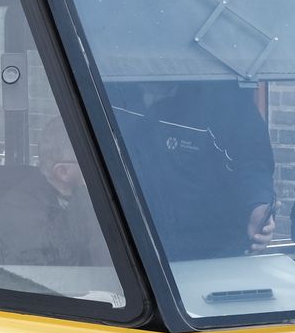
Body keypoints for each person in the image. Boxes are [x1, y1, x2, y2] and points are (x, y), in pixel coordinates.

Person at [109, 79, 276, 259]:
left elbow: (252, 161)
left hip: (211, 253)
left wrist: (258, 204)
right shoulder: (106, 88)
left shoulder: (223, 99)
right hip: (126, 242)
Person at [0, 119, 112, 269]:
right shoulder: (19, 208)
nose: (99, 168)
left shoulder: (73, 194)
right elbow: (64, 260)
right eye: (89, 162)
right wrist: (90, 191)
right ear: (63, 172)